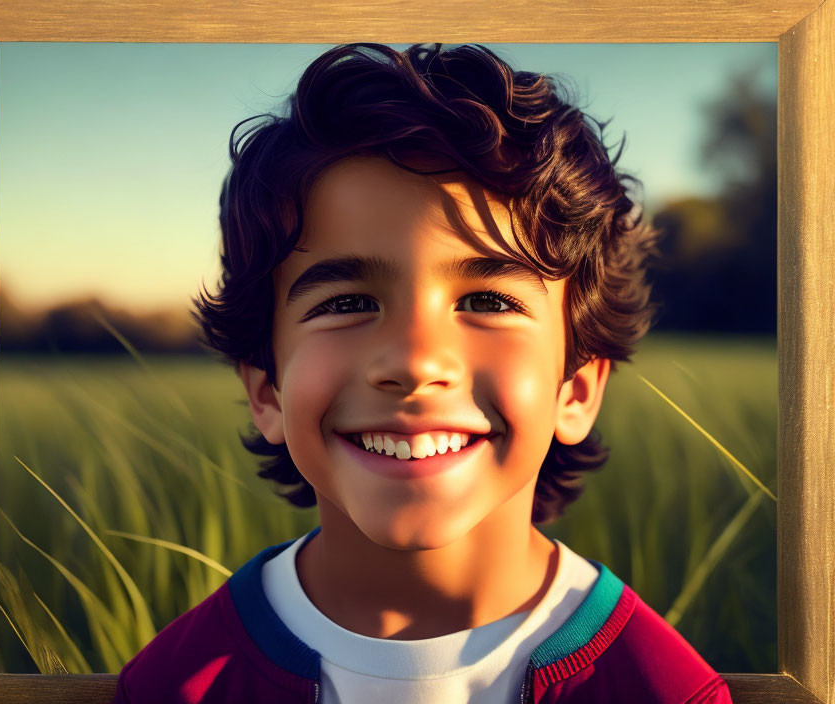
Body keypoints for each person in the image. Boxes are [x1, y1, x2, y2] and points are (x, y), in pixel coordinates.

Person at [113, 43, 733, 703]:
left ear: (575, 390)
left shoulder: (663, 691)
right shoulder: (174, 685)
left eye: (488, 302)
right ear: (265, 389)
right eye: (347, 304)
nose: (414, 362)